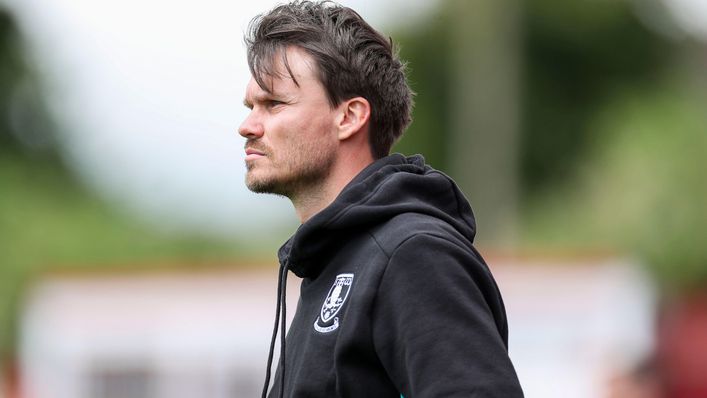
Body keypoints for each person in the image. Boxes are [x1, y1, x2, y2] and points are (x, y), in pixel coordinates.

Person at [238, 1, 524, 397]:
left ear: (350, 117)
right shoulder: (328, 264)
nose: (247, 126)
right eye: (251, 107)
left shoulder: (413, 254)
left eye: (274, 104)